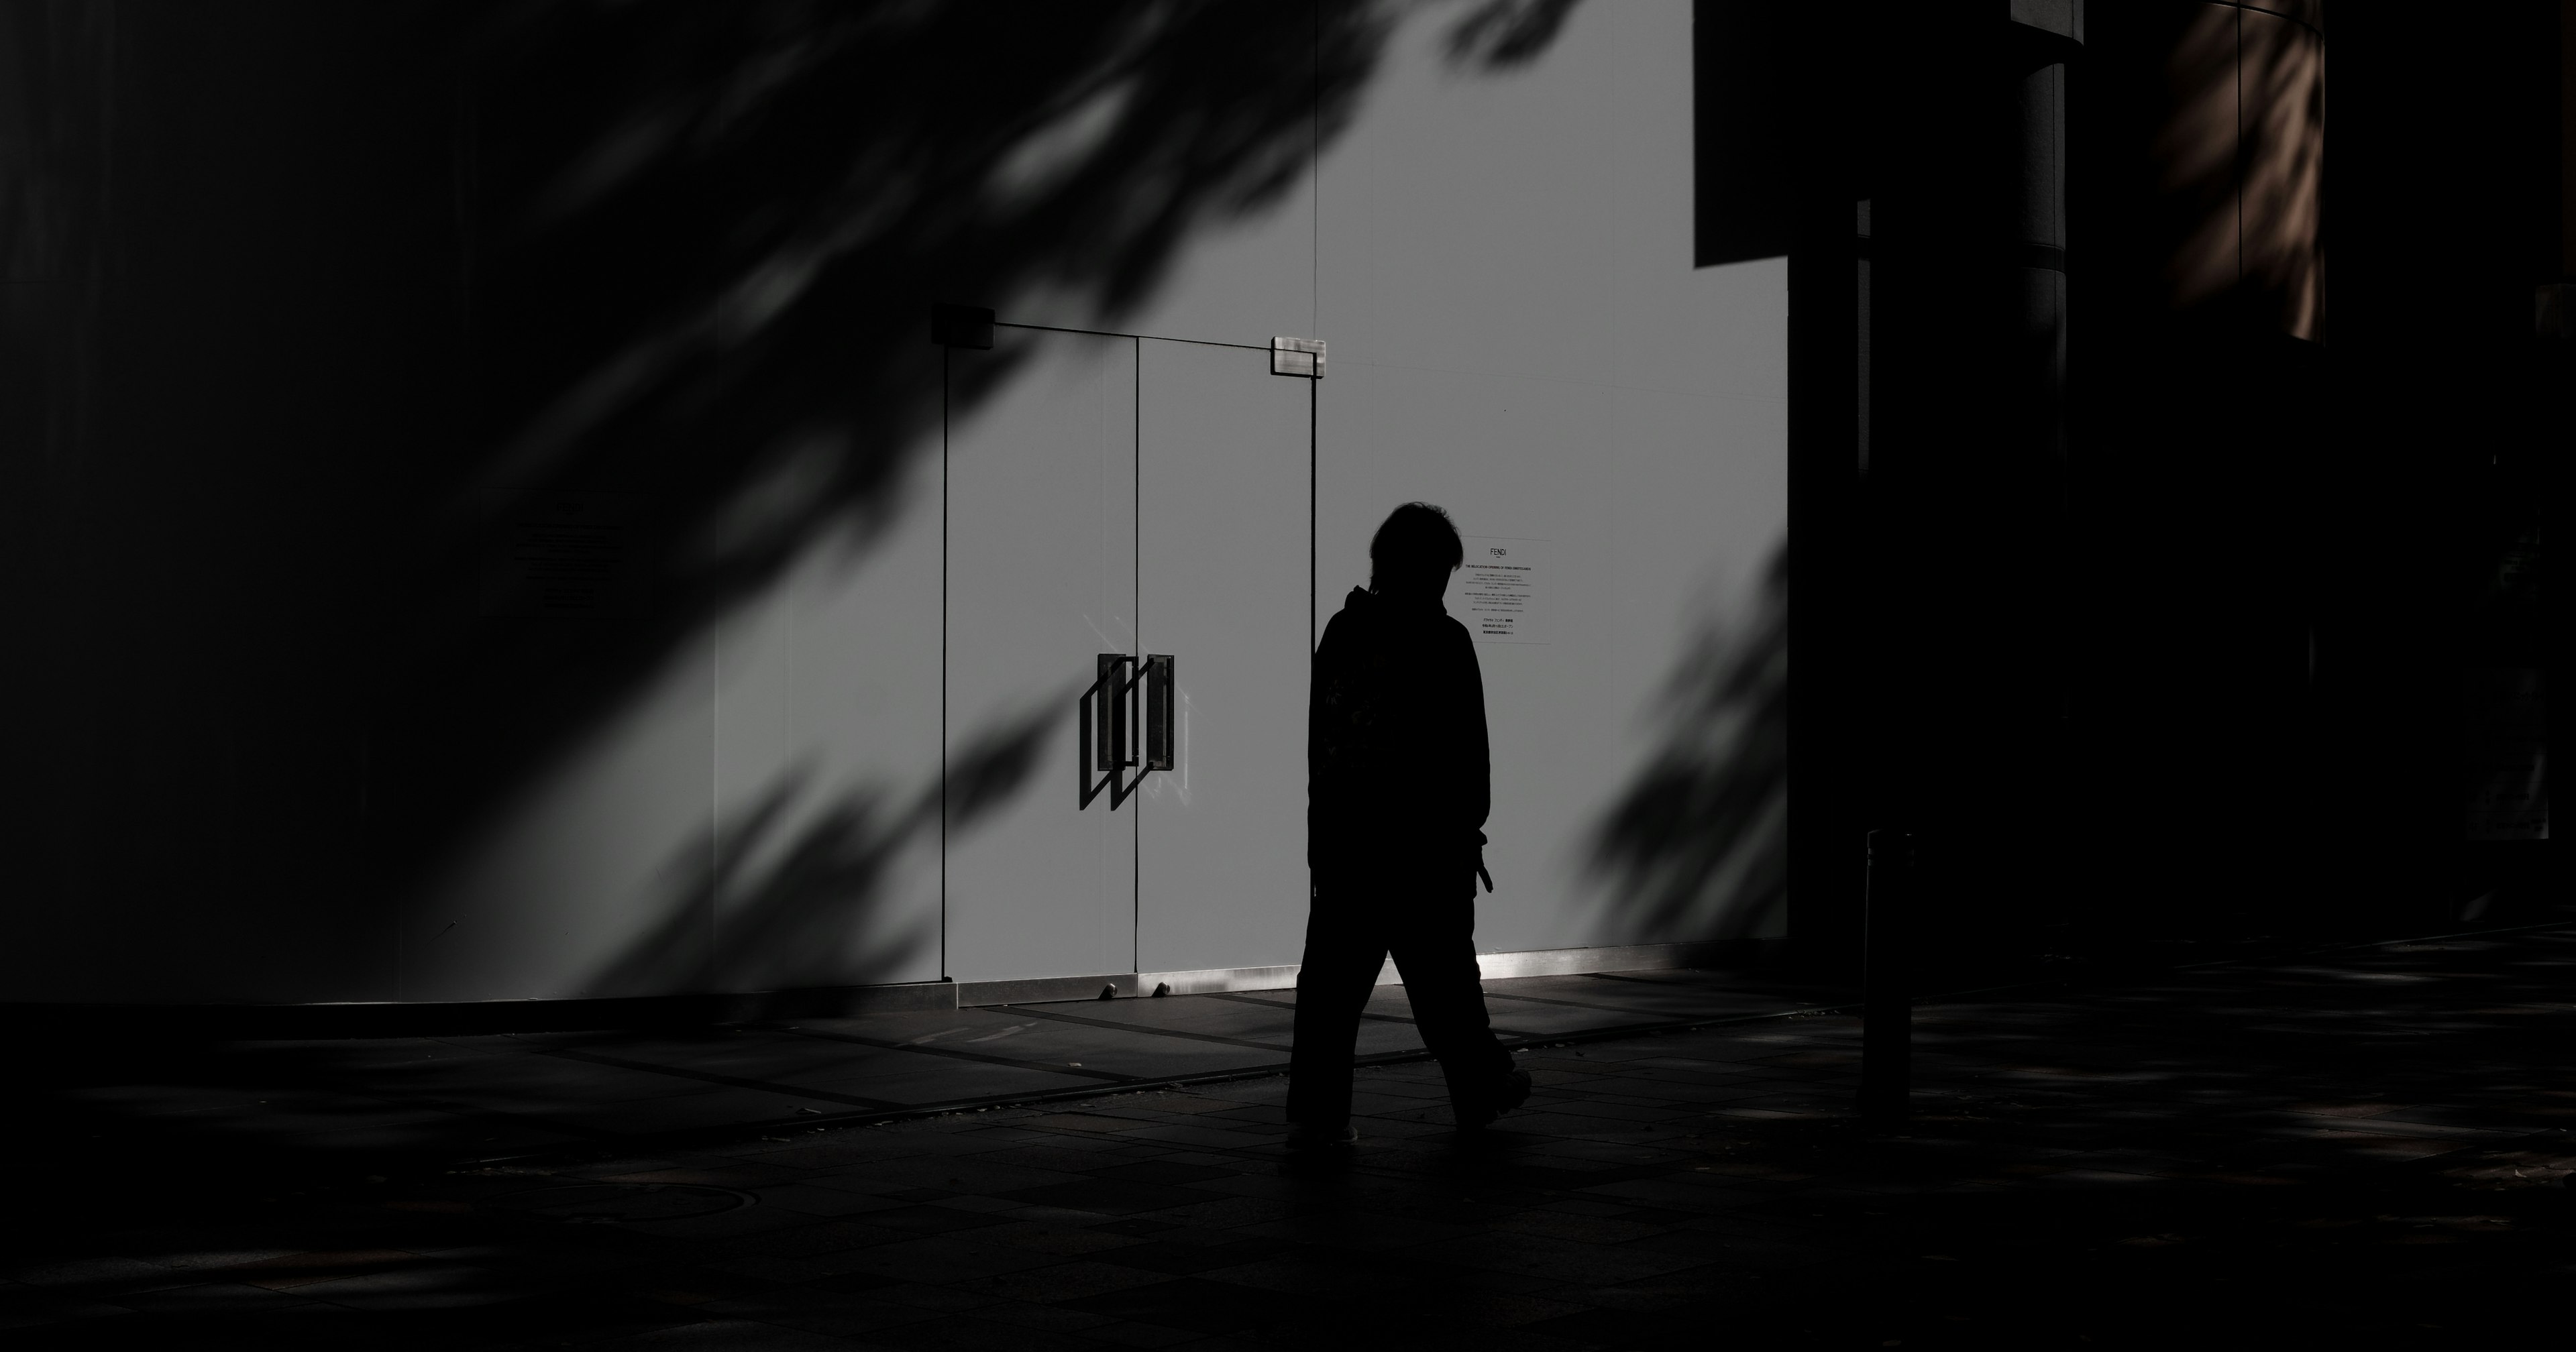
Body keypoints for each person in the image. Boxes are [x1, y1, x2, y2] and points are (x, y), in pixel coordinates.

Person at [1287, 502, 1532, 1149]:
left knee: (1331, 998)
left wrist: (1321, 849)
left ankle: (1318, 1119)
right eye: (1442, 571)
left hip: (1348, 849)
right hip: (1424, 849)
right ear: (1428, 572)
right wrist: (1465, 828)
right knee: (1445, 981)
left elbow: (1323, 747)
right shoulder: (1444, 642)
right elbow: (1467, 753)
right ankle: (1481, 1084)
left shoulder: (1342, 634)